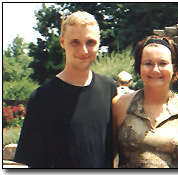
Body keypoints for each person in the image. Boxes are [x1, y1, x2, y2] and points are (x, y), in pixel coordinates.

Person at [14, 11, 117, 168]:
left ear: (99, 43)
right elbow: (33, 161)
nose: (84, 50)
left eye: (90, 42)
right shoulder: (42, 97)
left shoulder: (109, 88)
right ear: (62, 42)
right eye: (75, 42)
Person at [112, 35, 178, 168]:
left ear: (174, 67)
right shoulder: (120, 106)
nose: (155, 69)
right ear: (139, 67)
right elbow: (107, 160)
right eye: (148, 63)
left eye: (162, 63)